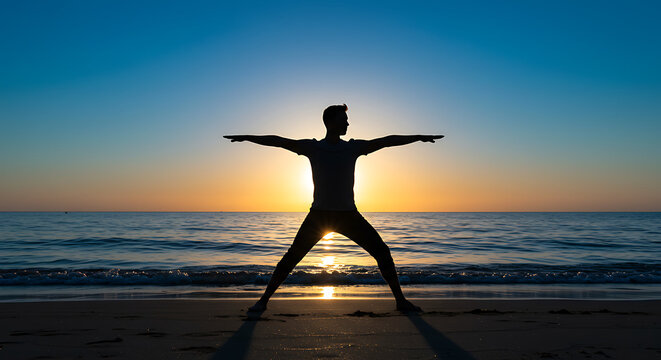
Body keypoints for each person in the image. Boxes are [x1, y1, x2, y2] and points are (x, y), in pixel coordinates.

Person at [224, 104, 443, 312]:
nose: (348, 124)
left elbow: (386, 141)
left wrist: (418, 138)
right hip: (319, 216)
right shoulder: (313, 147)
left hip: (349, 216)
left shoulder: (353, 147)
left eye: (347, 120)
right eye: (344, 120)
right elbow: (278, 141)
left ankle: (401, 302)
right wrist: (247, 138)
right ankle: (262, 301)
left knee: (382, 252)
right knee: (291, 258)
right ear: (330, 122)